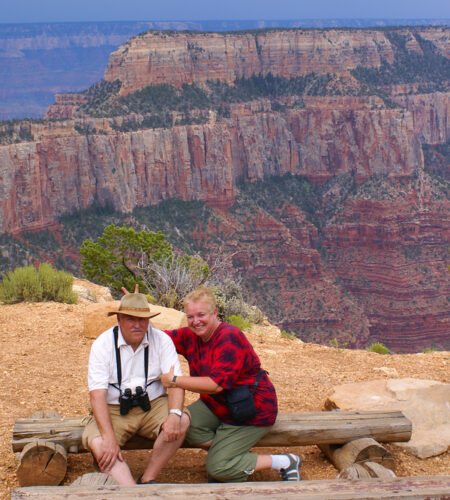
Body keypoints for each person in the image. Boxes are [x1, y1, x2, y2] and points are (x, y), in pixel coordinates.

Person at [160, 286, 302, 483]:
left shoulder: (229, 337)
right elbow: (160, 338)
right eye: (190, 317)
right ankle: (231, 454)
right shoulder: (191, 336)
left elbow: (216, 384)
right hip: (217, 405)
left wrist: (174, 380)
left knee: (218, 467)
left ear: (214, 313)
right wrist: (138, 318)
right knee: (184, 424)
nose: (196, 321)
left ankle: (284, 461)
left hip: (251, 408)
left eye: (201, 315)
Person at [81, 292, 190, 485]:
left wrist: (173, 414)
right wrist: (108, 437)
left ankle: (147, 479)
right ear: (119, 319)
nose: (137, 325)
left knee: (181, 421)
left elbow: (175, 383)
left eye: (142, 319)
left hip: (153, 404)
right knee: (100, 443)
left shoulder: (161, 340)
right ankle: (133, 492)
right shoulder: (103, 344)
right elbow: (97, 395)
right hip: (113, 407)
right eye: (131, 319)